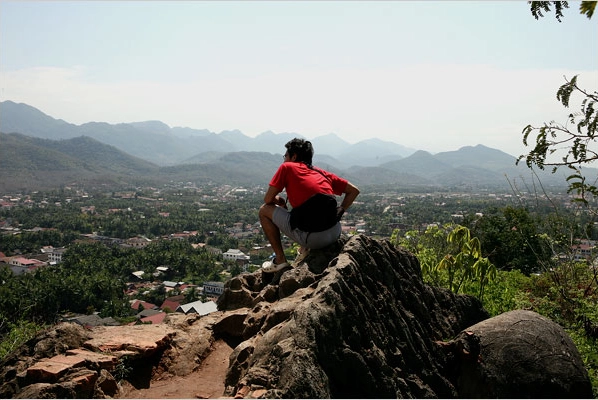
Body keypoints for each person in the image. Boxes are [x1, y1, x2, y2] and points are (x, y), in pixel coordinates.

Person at [259, 138, 360, 273]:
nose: (284, 160)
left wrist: (278, 201)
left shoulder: (287, 167)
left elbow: (267, 200)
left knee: (263, 211)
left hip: (314, 239)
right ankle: (304, 250)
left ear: (293, 157)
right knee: (308, 212)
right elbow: (354, 191)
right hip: (335, 232)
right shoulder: (321, 173)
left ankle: (280, 260)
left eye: (285, 156)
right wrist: (341, 209)